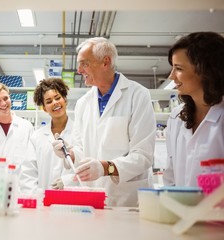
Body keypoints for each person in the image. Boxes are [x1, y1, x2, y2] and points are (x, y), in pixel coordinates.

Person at [52, 37, 156, 207]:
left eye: (84, 64)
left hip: (127, 200)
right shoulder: (83, 103)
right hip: (91, 197)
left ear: (105, 62)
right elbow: (81, 149)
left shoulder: (138, 95)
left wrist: (106, 167)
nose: (79, 70)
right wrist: (69, 153)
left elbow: (143, 155)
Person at [163, 32, 224, 187]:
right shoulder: (176, 117)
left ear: (205, 70)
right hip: (181, 210)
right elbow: (171, 176)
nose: (171, 76)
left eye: (178, 68)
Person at [20, 78, 76, 193]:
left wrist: (68, 180)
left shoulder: (80, 132)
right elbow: (29, 173)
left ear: (65, 99)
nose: (55, 103)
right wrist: (35, 199)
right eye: (49, 101)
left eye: (57, 98)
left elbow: (86, 166)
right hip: (44, 202)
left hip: (73, 200)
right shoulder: (36, 137)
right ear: (45, 108)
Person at [0, 82, 34, 174]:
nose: (3, 103)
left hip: (18, 184)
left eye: (6, 98)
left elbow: (32, 160)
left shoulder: (26, 126)